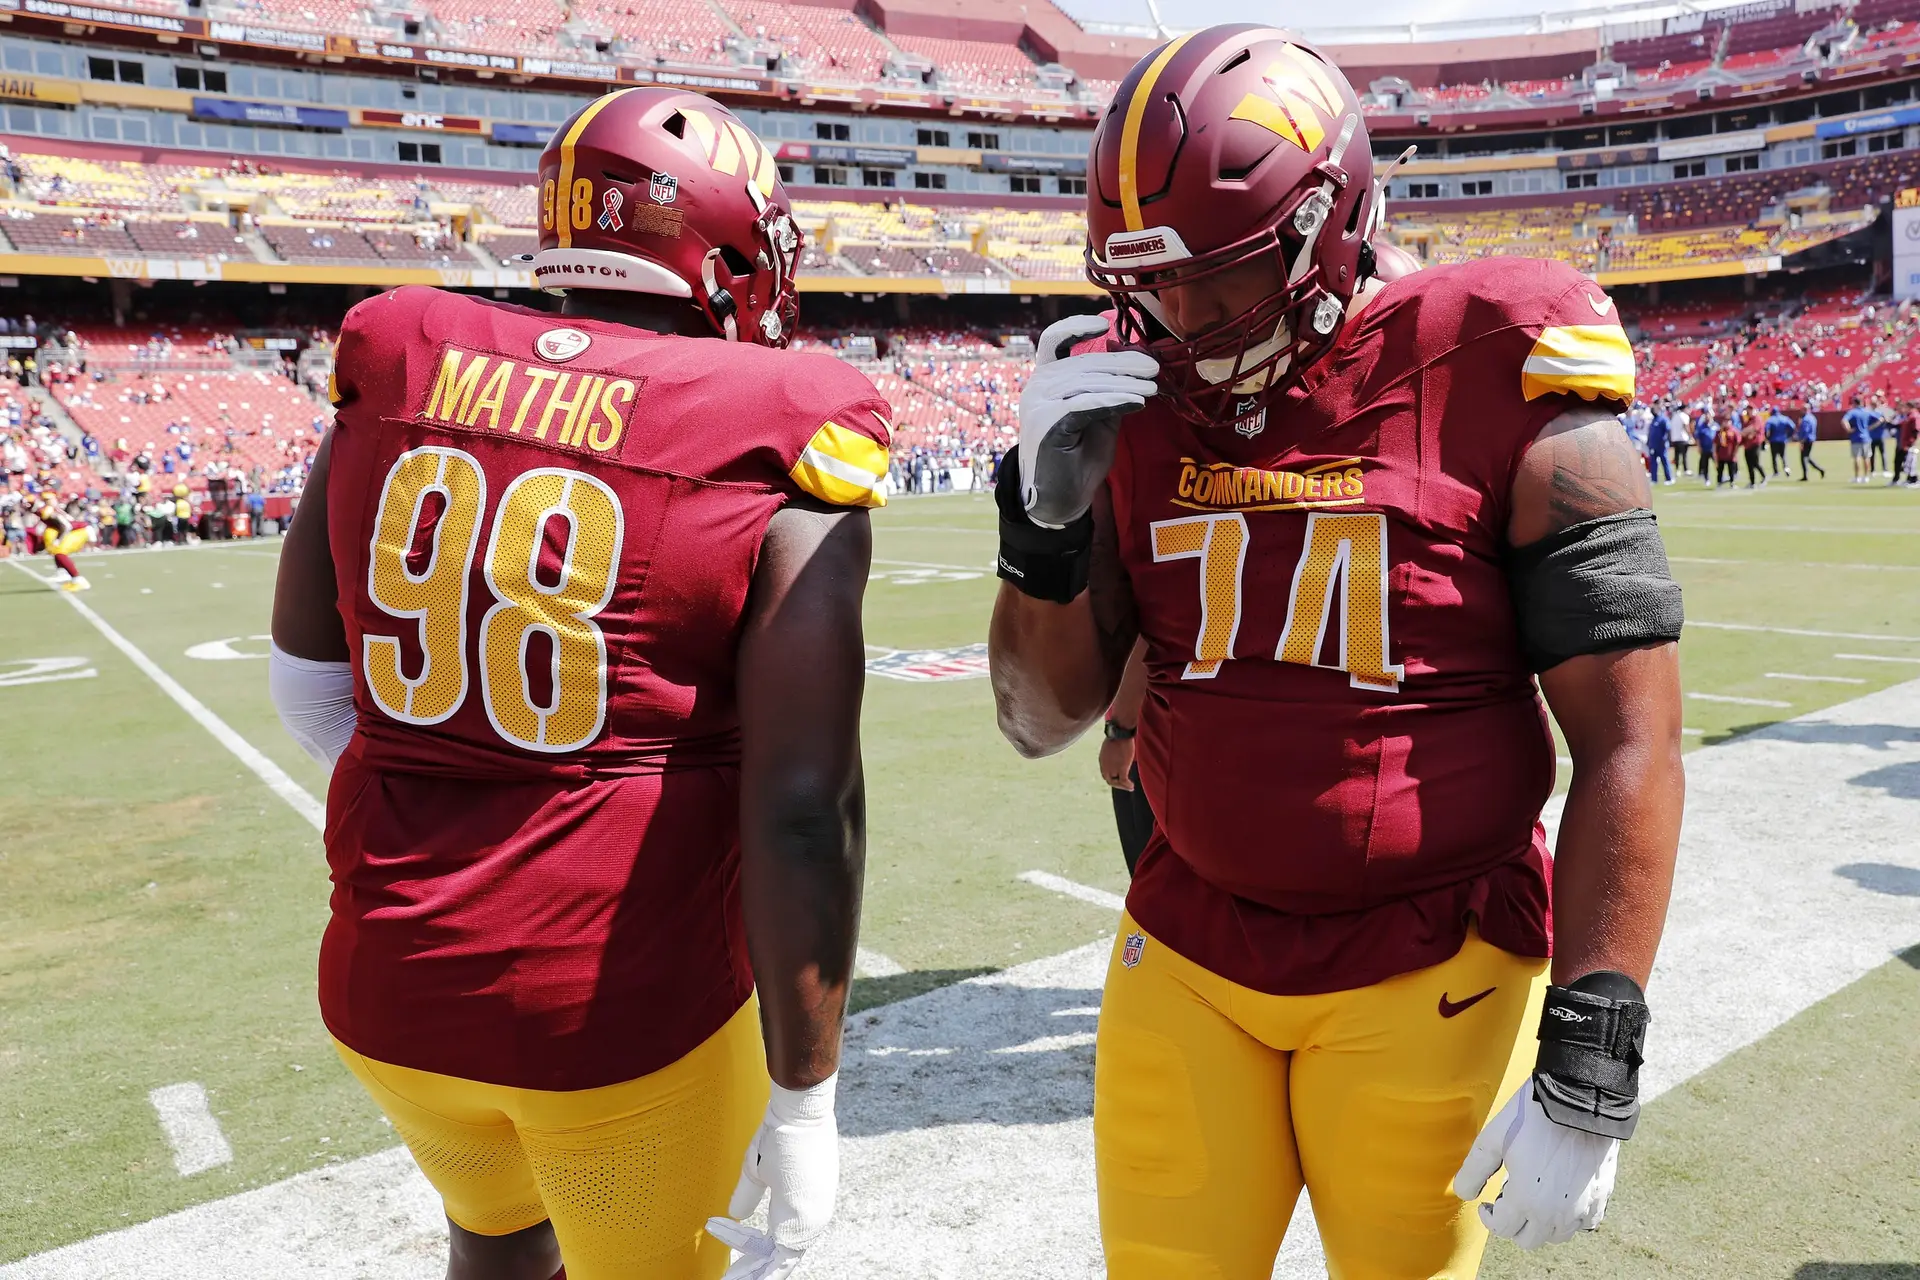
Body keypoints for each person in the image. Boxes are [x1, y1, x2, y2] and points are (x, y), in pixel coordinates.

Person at [989, 26, 1684, 1279]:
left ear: (1329, 222)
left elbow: (1630, 736)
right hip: (1189, 943)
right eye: (1156, 284)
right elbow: (1039, 720)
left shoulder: (1496, 367)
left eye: (1228, 276)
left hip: (1433, 955)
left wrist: (1596, 1041)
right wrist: (1042, 534)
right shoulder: (1128, 396)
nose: (1186, 320)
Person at [269, 87, 886, 1280]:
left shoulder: (401, 363)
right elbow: (803, 814)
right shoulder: (774, 418)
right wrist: (805, 1102)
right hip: (617, 1012)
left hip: (387, 986)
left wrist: (474, 789)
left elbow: (310, 696)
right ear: (726, 254)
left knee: (495, 1247)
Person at [1099, 640, 1153, 874]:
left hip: (1150, 739)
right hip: (1139, 739)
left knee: (1155, 878)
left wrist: (1120, 732)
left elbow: (1145, 641)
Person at [32, 493, 88, 590]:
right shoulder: (48, 509)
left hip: (78, 530)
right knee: (56, 551)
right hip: (73, 530)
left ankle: (78, 580)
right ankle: (62, 573)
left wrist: (58, 540)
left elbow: (66, 526)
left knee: (59, 552)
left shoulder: (48, 511)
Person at [1844, 395, 1875, 483]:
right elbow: (1880, 419)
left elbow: (1844, 421)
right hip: (1866, 437)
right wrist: (1870, 427)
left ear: (1854, 403)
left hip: (1855, 437)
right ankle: (1866, 477)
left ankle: (1857, 477)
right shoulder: (1866, 411)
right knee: (1866, 457)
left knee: (1857, 457)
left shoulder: (1852, 412)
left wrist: (1848, 429)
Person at [1645, 401, 1672, 485]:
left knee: (1665, 462)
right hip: (1653, 445)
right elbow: (1651, 432)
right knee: (1653, 462)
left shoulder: (1663, 419)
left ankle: (1669, 479)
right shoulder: (1653, 420)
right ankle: (1654, 479)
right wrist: (1648, 442)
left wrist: (1666, 441)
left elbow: (1668, 431)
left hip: (1661, 445)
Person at [1797, 403, 1825, 481]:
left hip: (1806, 440)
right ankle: (1820, 470)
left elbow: (1805, 431)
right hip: (1811, 439)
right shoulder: (1812, 417)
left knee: (1804, 458)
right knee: (1806, 457)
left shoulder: (1805, 419)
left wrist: (1801, 441)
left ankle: (1806, 476)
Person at [1740, 408, 1767, 488]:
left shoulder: (1757, 418)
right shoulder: (1748, 420)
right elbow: (1744, 433)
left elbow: (1754, 428)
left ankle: (1764, 477)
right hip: (1747, 445)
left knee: (1755, 462)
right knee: (1749, 464)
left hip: (1755, 444)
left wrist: (1744, 431)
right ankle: (1752, 482)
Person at [1765, 404, 1793, 476]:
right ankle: (1786, 468)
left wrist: (1767, 438)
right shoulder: (1785, 418)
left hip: (1773, 440)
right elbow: (1792, 426)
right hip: (1783, 440)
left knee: (1774, 457)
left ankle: (1776, 472)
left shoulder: (1770, 419)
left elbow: (1766, 429)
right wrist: (1788, 435)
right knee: (1783, 455)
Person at [1715, 412, 1740, 486]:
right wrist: (1715, 453)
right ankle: (1719, 482)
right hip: (1721, 454)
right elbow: (1716, 442)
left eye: (1728, 421)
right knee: (1720, 469)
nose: (1726, 423)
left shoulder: (1734, 431)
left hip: (1730, 454)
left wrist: (1735, 453)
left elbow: (1737, 442)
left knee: (1731, 469)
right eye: (1725, 421)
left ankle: (1732, 482)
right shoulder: (1720, 431)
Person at [1694, 402, 1716, 485]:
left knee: (1717, 463)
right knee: (1705, 465)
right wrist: (1699, 447)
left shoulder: (1715, 425)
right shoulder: (1701, 426)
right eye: (1706, 414)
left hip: (1713, 448)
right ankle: (1706, 479)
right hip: (1705, 448)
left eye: (1708, 414)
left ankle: (1720, 477)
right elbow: (1698, 437)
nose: (1707, 416)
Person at [1669, 400, 1691, 477]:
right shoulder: (1684, 416)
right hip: (1683, 438)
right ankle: (1685, 469)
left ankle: (1677, 470)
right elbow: (1686, 427)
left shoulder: (1674, 416)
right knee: (1684, 455)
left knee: (1677, 455)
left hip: (1675, 438)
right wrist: (1690, 436)